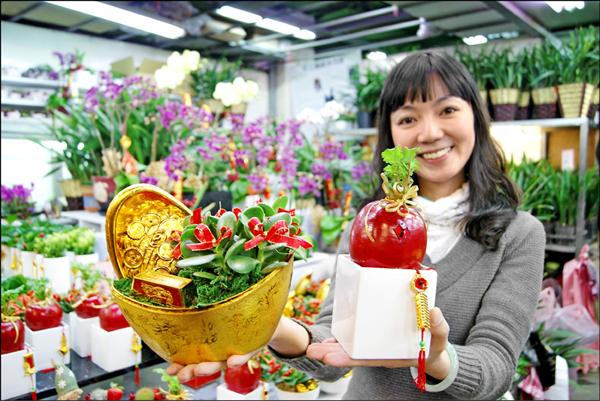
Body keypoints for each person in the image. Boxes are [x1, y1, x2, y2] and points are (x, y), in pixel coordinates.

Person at [167, 51, 546, 400]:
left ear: (476, 117)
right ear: (391, 134)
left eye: (447, 110)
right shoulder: (370, 224)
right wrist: (265, 326)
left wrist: (435, 359)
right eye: (408, 118)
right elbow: (334, 340)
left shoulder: (519, 234)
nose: (429, 133)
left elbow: (496, 367)